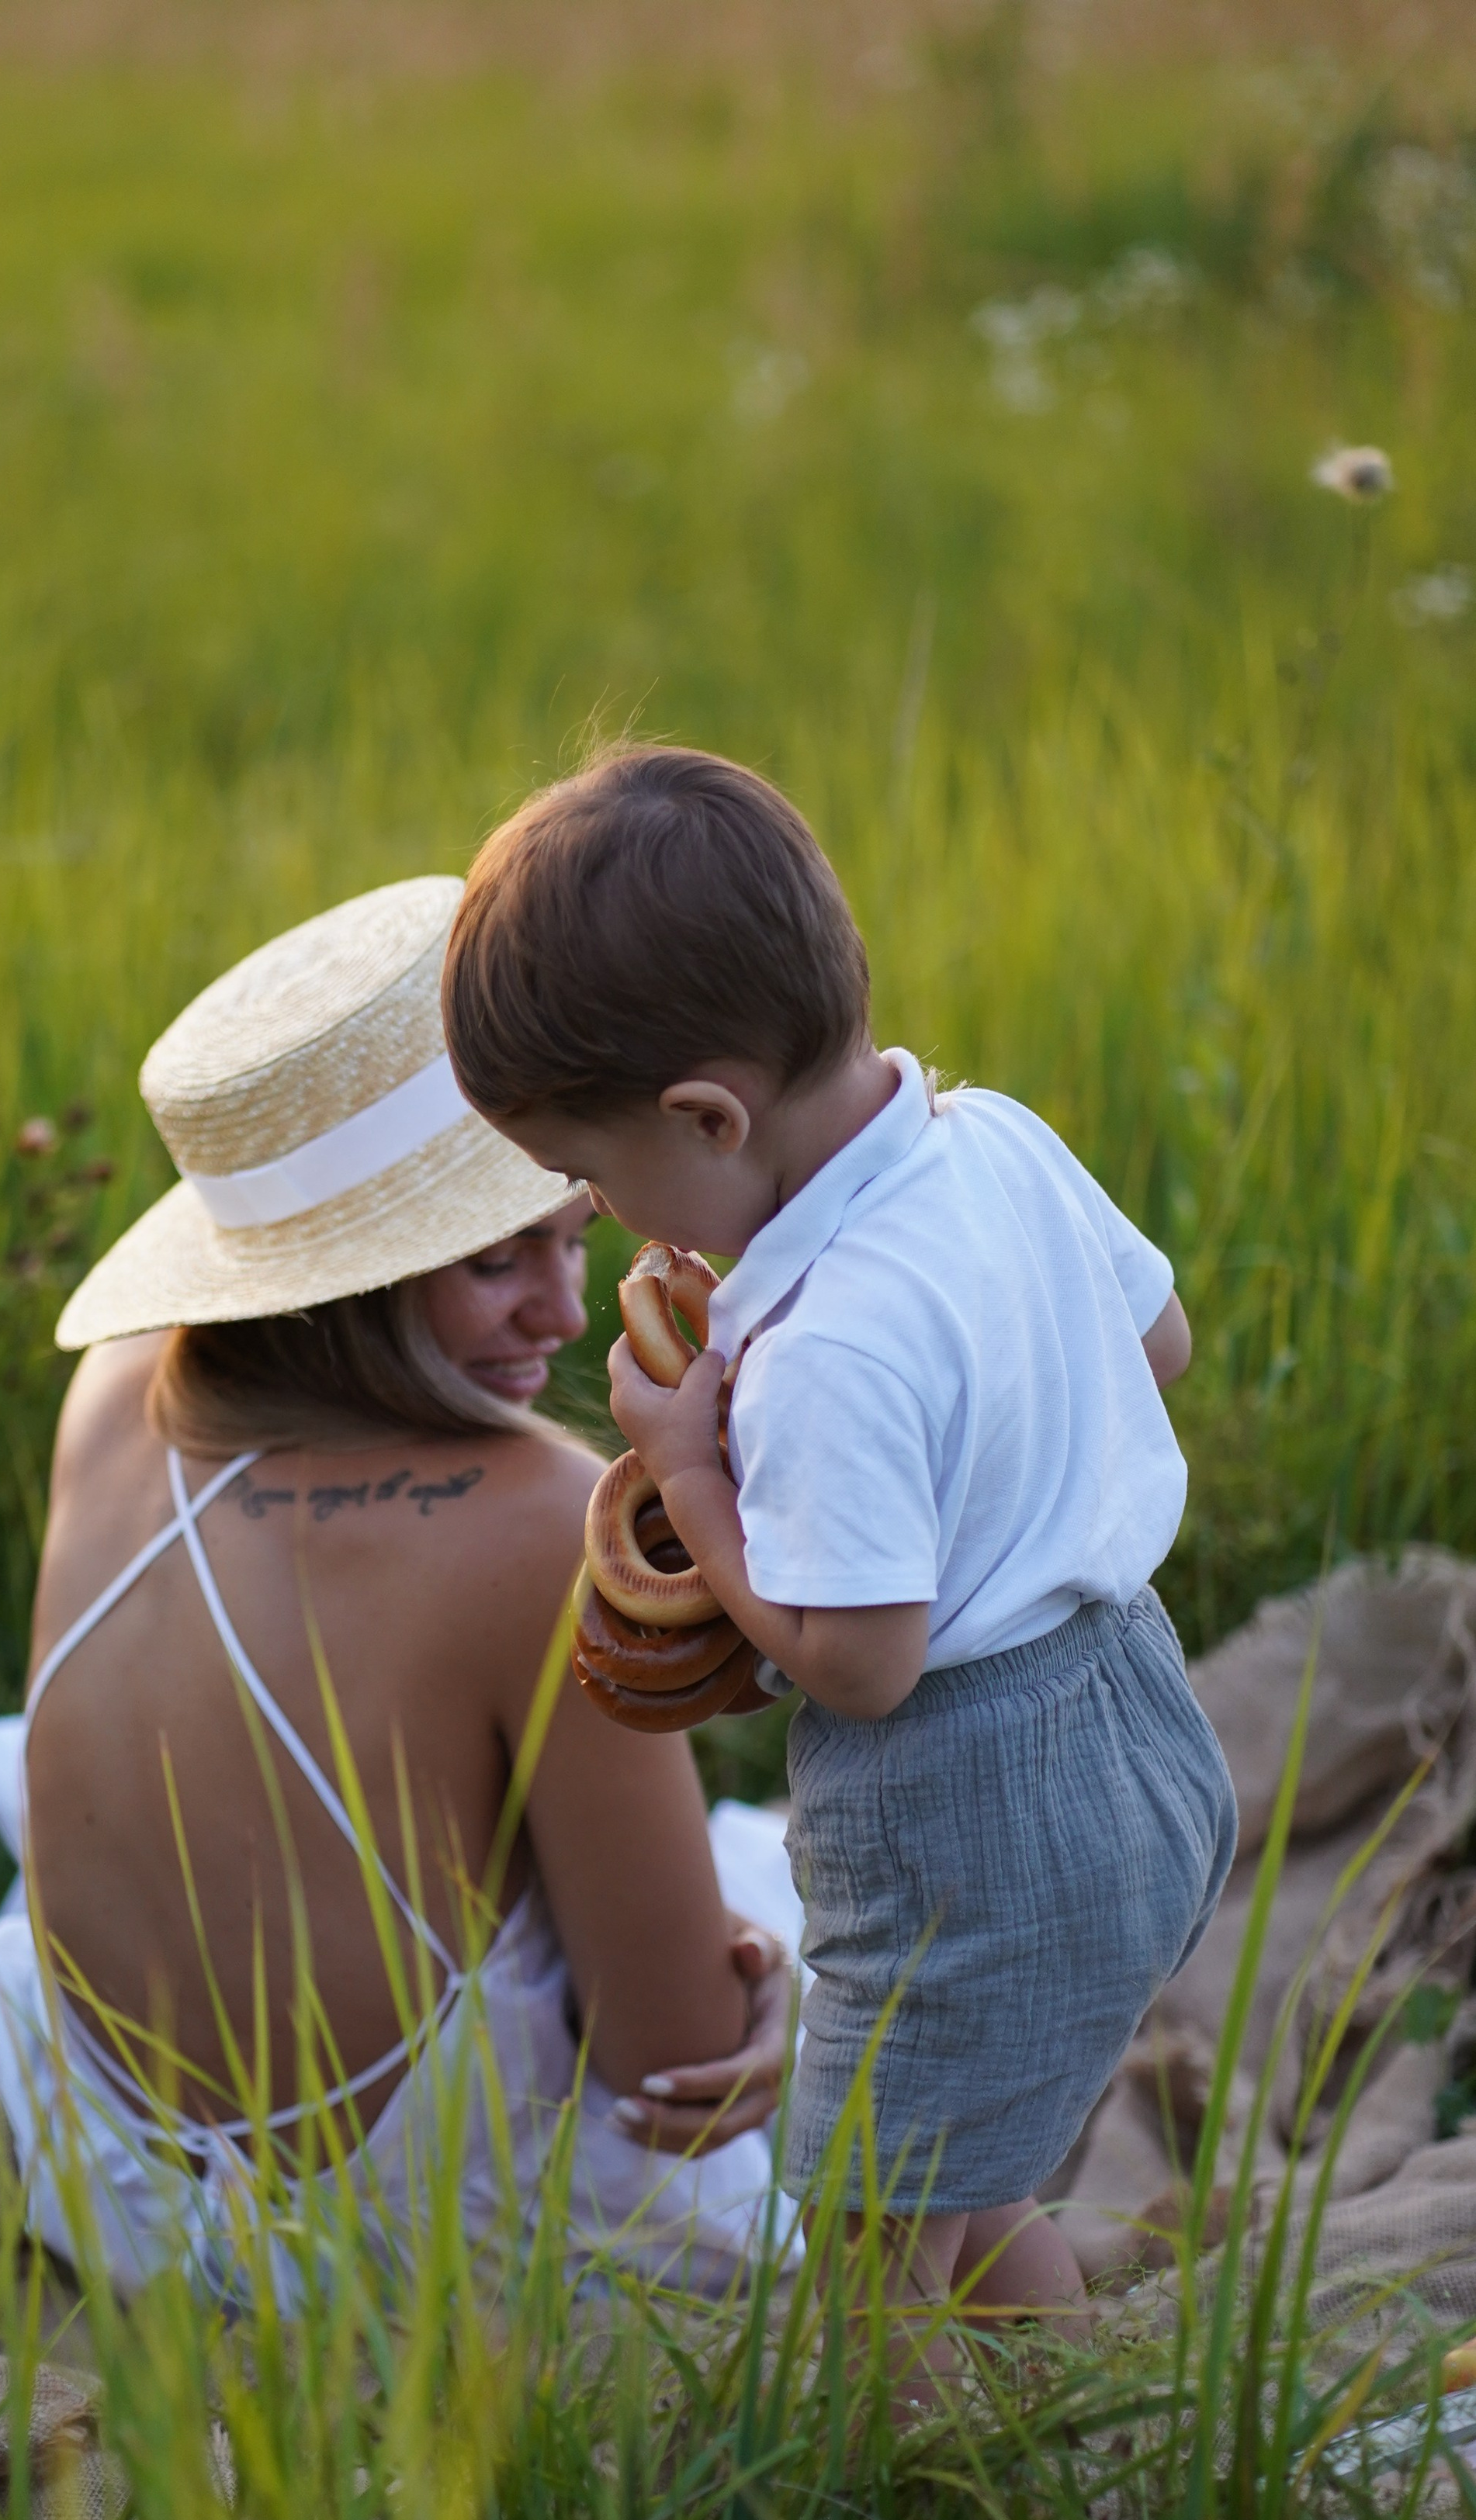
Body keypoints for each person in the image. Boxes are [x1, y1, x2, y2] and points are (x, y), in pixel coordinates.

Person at [0, 873, 803, 2304]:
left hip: (107, 2174)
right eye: (496, 1258)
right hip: (395, 2241)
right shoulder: (534, 1524)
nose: (566, 1315)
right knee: (829, 1926)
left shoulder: (118, 1386)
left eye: (574, 1233)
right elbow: (669, 2064)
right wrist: (776, 2011)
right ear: (345, 1279)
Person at [441, 746, 1239, 2383]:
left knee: (865, 2253)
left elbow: (856, 1660)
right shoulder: (997, 1140)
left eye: (588, 1173)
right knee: (962, 2182)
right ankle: (1072, 2433)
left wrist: (682, 1470)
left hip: (969, 1805)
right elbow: (1152, 1341)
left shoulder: (823, 1351)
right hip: (1143, 1731)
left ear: (705, 1117)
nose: (596, 1213)